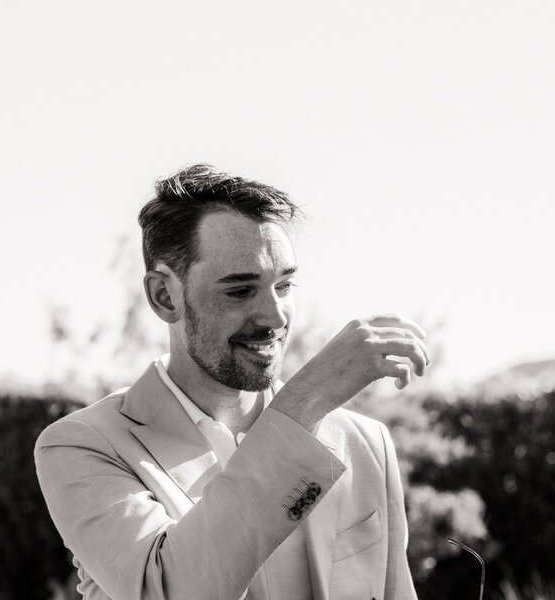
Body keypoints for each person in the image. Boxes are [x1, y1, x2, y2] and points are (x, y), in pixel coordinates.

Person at [34, 165, 428, 600]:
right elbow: (169, 591)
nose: (275, 317)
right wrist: (309, 397)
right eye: (240, 291)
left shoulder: (366, 444)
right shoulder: (83, 446)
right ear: (165, 296)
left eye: (284, 285)